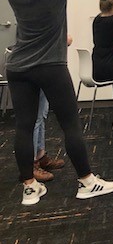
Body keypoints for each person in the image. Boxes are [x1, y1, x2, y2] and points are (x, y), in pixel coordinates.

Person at [3, 0, 113, 205]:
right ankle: (86, 182)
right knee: (69, 124)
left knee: (24, 126)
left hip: (18, 66)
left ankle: (29, 187)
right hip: (50, 66)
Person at [32, 34, 73, 182]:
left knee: (41, 116)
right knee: (35, 119)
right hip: (35, 67)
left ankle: (40, 156)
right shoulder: (38, 17)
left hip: (43, 66)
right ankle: (32, 164)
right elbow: (66, 39)